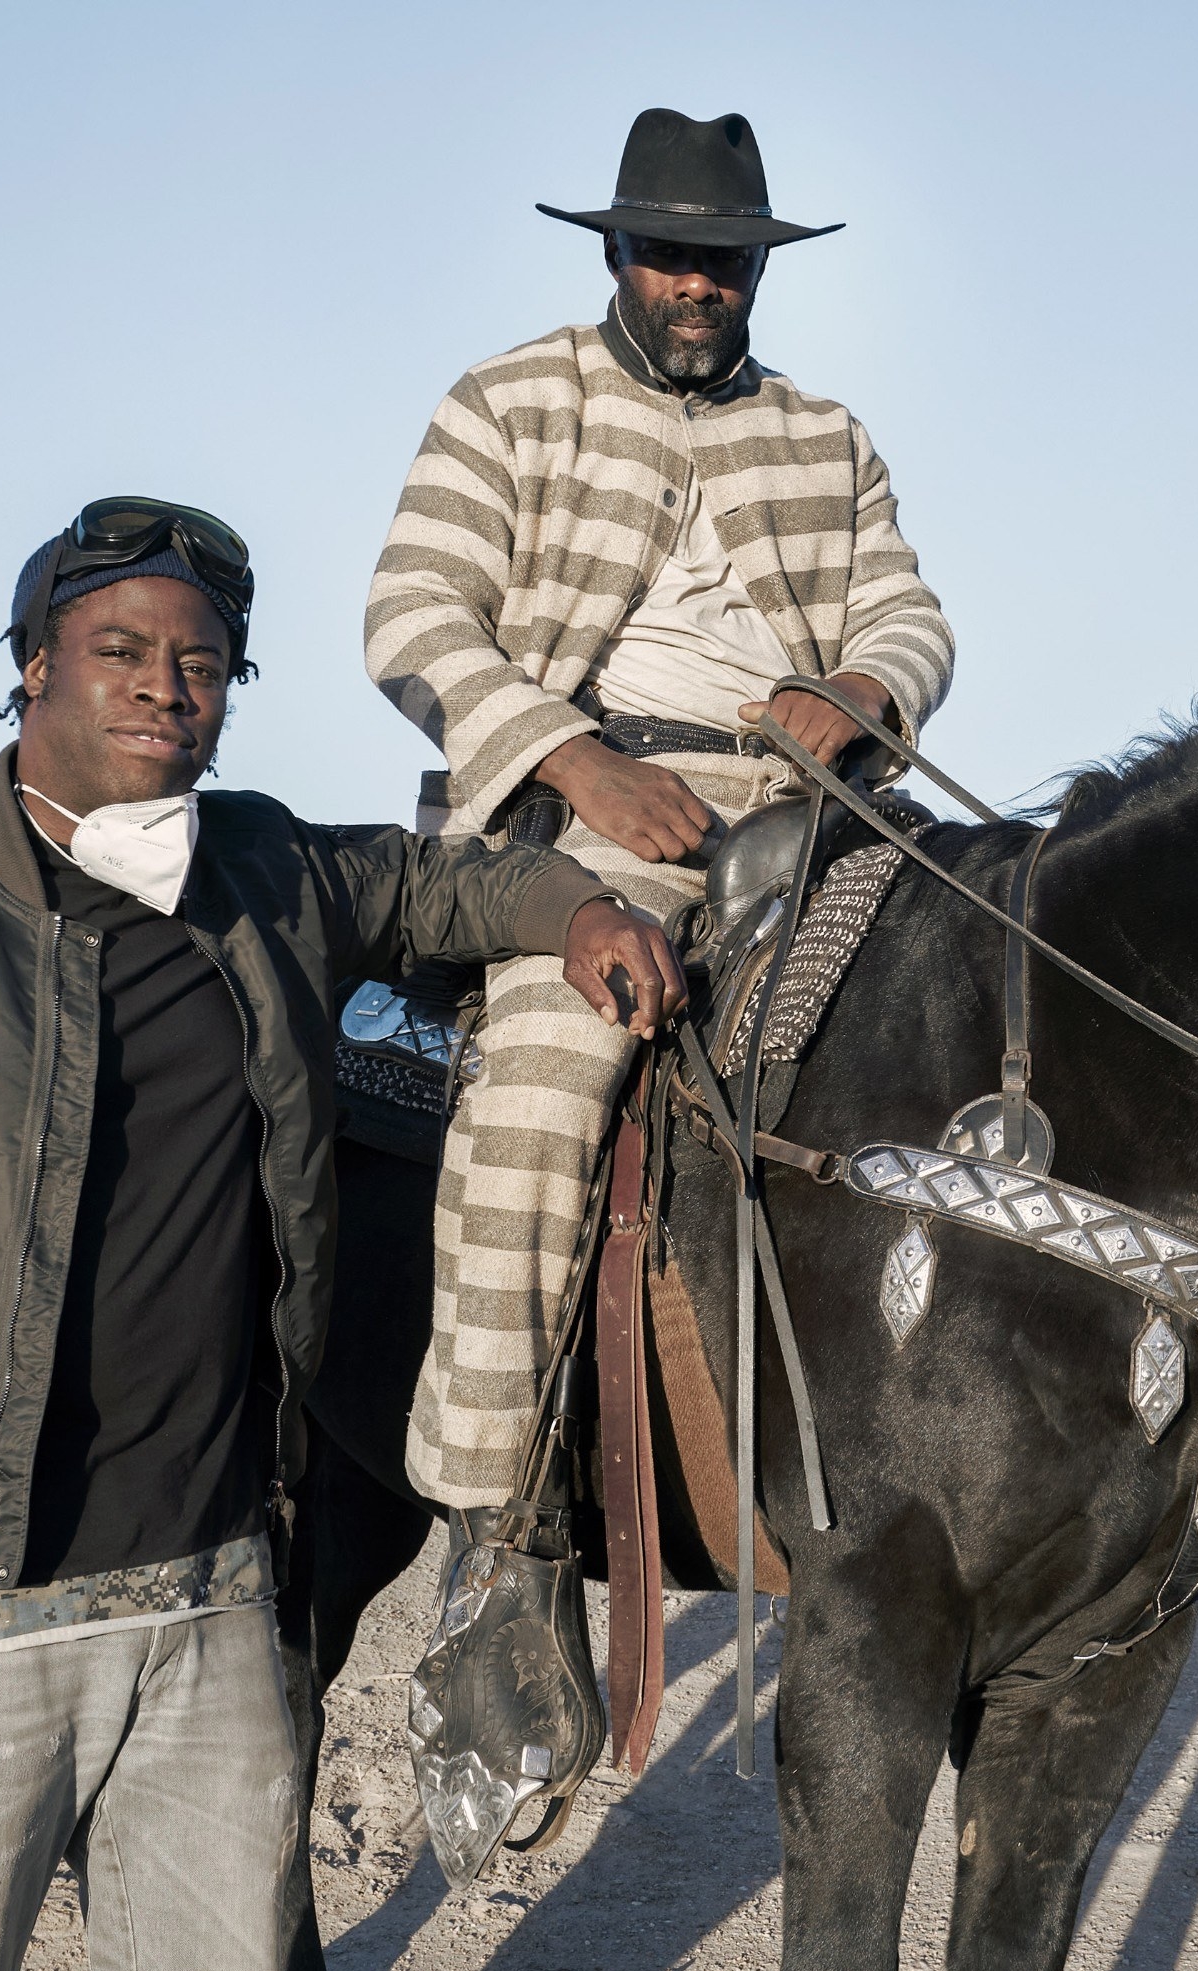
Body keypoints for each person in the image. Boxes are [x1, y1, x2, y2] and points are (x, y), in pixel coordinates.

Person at [0, 498, 679, 1971]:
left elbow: (437, 884)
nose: (162, 688)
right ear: (31, 668)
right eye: (119, 648)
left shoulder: (258, 875)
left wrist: (575, 906)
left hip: (210, 1597)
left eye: (203, 665)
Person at [367, 107, 956, 1512]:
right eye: (672, 256)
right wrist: (576, 764)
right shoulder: (509, 400)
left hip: (820, 811)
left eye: (730, 264)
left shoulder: (826, 435)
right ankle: (489, 1525)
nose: (701, 284)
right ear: (622, 251)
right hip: (595, 805)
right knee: (548, 1081)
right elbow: (411, 616)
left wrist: (868, 686)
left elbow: (907, 608)